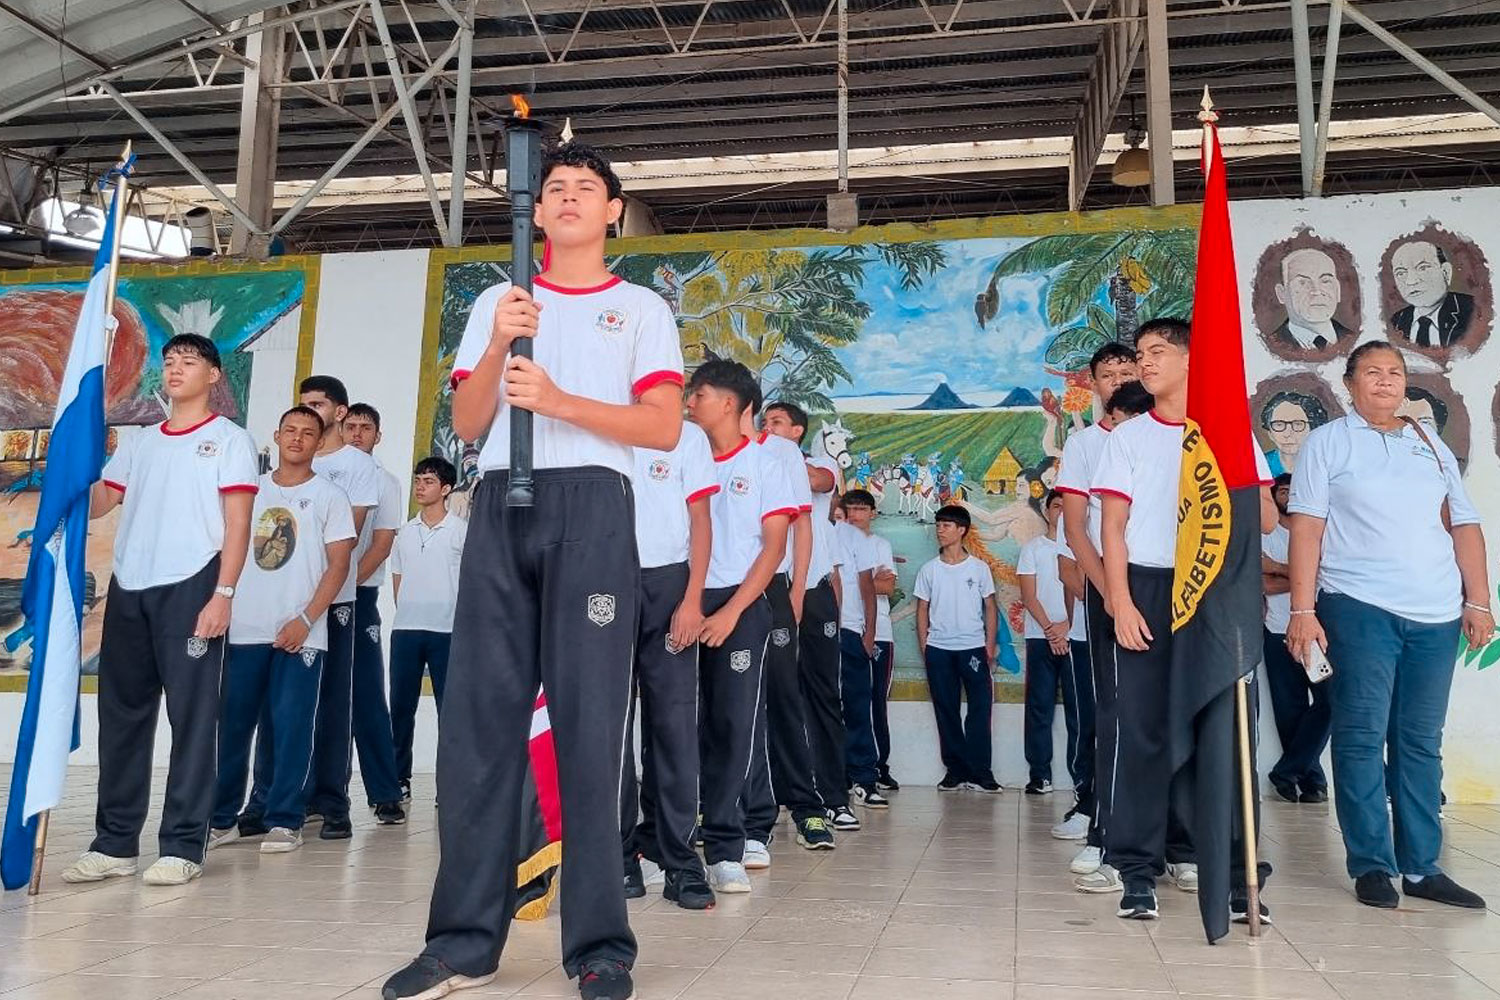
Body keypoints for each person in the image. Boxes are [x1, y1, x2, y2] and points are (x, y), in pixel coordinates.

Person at [382, 141, 684, 1000]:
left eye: (587, 188)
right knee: (479, 731)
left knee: (591, 733)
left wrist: (556, 402)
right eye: (555, 187)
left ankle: (599, 945)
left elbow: (661, 427)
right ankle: (462, 942)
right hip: (500, 511)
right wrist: (496, 350)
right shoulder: (500, 300)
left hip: (593, 511)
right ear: (536, 208)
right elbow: (469, 422)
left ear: (613, 211)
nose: (569, 198)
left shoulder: (639, 309)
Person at [1286, 340, 1494, 910]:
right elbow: (1306, 528)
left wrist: (1478, 600)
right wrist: (1303, 612)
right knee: (1359, 735)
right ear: (1349, 384)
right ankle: (1373, 865)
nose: (1385, 381)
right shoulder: (1329, 443)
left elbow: (1465, 525)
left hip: (1435, 612)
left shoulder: (1431, 443)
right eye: (1372, 373)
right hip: (1358, 605)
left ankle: (1423, 868)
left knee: (1420, 742)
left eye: (1395, 373)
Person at [61, 333, 258, 887]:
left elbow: (238, 523)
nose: (175, 369)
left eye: (188, 362)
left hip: (193, 584)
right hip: (132, 585)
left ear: (213, 375)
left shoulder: (229, 440)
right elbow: (103, 501)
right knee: (121, 716)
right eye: (169, 362)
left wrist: (224, 594)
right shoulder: (143, 442)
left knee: (192, 719)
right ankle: (115, 842)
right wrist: (74, 468)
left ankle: (182, 845)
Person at [1093, 319, 1270, 919]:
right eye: (1140, 354)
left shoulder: (1227, 434)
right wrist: (1119, 602)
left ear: (1195, 359)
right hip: (1147, 586)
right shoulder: (1130, 437)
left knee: (1223, 731)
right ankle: (1135, 868)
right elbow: (1110, 528)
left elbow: (1264, 519)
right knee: (1142, 733)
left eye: (1158, 351)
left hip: (1215, 591)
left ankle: (1235, 872)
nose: (1144, 363)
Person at [209, 406, 355, 855]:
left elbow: (339, 565)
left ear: (319, 442)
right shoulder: (248, 492)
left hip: (301, 632)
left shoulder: (330, 496)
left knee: (292, 727)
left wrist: (307, 618)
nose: (297, 438)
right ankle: (221, 819)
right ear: (276, 436)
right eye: (289, 430)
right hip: (244, 628)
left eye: (307, 433)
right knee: (232, 728)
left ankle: (284, 819)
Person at [685, 359, 797, 895]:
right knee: (678, 724)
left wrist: (731, 612)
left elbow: (774, 548)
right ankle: (670, 839)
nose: (688, 403)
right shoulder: (681, 453)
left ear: (729, 402)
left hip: (741, 604)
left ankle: (728, 846)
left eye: (698, 394)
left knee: (734, 726)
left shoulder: (767, 464)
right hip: (684, 600)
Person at [619, 419, 719, 910]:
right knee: (609, 726)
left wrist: (693, 600)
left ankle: (681, 860)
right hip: (606, 580)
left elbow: (700, 519)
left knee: (674, 725)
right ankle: (618, 856)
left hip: (669, 586)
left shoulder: (686, 437)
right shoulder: (599, 424)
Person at [1052, 340, 1142, 876]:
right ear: (1094, 385)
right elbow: (1078, 529)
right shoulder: (1086, 445)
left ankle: (1171, 836)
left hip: (1161, 590)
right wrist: (1109, 590)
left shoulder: (1172, 434)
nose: (1117, 380)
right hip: (1108, 594)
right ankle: (1099, 816)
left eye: (1126, 370)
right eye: (1107, 374)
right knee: (1106, 709)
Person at [741, 400, 836, 864]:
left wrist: (796, 590)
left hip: (775, 587)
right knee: (731, 701)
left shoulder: (779, 454)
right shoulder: (702, 449)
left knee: (782, 695)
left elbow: (801, 525)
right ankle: (738, 812)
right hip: (723, 588)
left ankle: (805, 805)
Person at [762, 402, 852, 827]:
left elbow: (821, 481)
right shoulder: (758, 461)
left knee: (823, 695)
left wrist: (777, 453)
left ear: (798, 430)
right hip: (771, 589)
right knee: (775, 696)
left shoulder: (816, 464)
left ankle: (835, 795)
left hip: (813, 592)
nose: (768, 428)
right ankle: (782, 791)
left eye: (776, 422)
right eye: (764, 422)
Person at [389, 457, 467, 800]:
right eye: (418, 480)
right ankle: (398, 780)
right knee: (401, 708)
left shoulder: (462, 531)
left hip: (447, 631)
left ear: (446, 488)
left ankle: (448, 785)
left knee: (448, 710)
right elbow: (397, 579)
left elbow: (470, 582)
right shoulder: (405, 533)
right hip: (406, 629)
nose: (421, 486)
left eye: (429, 481)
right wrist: (408, 611)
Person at [913, 505, 998, 792]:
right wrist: (926, 646)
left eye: (947, 525)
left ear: (962, 530)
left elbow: (990, 607)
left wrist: (988, 645)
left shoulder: (979, 568)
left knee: (980, 709)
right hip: (939, 649)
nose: (940, 530)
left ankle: (981, 772)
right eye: (938, 525)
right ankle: (955, 770)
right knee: (945, 709)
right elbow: (922, 609)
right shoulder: (929, 570)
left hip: (973, 647)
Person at [1260, 473, 1330, 804]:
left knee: (1330, 703)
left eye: (1292, 491)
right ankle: (1311, 779)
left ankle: (1286, 771)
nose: (1287, 496)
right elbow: (1261, 583)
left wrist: (1279, 570)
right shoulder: (1267, 533)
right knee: (1290, 710)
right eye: (1282, 491)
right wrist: (1301, 574)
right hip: (1276, 632)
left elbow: (1325, 575)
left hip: (1317, 636)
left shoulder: (1318, 532)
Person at [1017, 490, 1087, 797]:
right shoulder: (1033, 548)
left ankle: (1080, 778)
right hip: (1040, 638)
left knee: (1079, 711)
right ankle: (1039, 775)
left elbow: (1086, 592)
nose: (1061, 512)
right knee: (1039, 708)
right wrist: (1050, 630)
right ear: (1046, 512)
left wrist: (1067, 628)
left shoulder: (1084, 548)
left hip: (1076, 637)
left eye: (1066, 507)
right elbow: (1029, 596)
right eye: (1056, 506)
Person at [834, 490, 897, 804]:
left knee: (861, 706)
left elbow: (877, 587)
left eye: (861, 509)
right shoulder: (818, 534)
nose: (853, 515)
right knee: (827, 708)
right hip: (822, 634)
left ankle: (866, 777)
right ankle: (833, 778)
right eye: (849, 509)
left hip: (854, 631)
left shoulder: (866, 543)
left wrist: (869, 632)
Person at [1389, 241, 1474, 348]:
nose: (1411, 281)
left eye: (1423, 268)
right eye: (1401, 273)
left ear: (1446, 272)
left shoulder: (1475, 312)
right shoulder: (1396, 321)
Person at [1271, 246, 1354, 352]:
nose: (1317, 291)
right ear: (1281, 294)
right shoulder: (1270, 345)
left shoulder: (1355, 339)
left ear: (1337, 290)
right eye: (1302, 282)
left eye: (1325, 281)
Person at [1260, 391, 1328, 477]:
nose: (1288, 434)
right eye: (1279, 424)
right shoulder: (1261, 465)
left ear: (1312, 428)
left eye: (1298, 424)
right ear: (1270, 433)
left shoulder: (1325, 463)